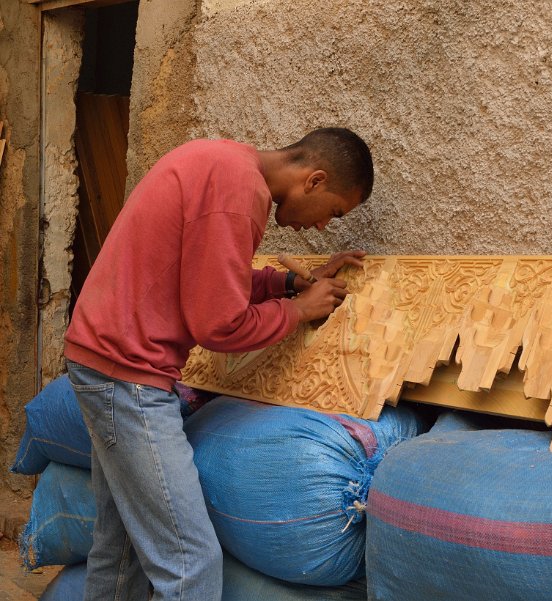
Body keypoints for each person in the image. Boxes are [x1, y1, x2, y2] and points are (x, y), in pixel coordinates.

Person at [64, 127, 374, 601]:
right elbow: (219, 324)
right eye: (333, 211)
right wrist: (301, 311)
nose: (322, 227)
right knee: (191, 564)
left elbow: (209, 276)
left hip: (106, 362)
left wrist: (287, 286)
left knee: (121, 544)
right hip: (126, 375)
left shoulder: (223, 164)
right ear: (313, 180)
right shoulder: (238, 192)